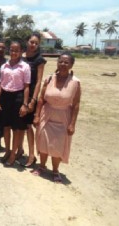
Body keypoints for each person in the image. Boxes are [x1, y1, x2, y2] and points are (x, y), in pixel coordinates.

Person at [32, 52, 81, 183]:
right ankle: (42, 166)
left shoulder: (75, 83)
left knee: (58, 145)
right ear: (57, 62)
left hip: (63, 116)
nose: (63, 64)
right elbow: (41, 99)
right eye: (61, 61)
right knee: (43, 141)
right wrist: (37, 115)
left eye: (66, 62)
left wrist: (72, 124)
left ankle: (55, 170)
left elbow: (76, 105)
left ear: (71, 65)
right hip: (46, 114)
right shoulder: (49, 79)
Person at [0, 41, 30, 166]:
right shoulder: (4, 66)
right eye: (11, 50)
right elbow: (0, 84)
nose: (13, 52)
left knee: (16, 128)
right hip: (5, 97)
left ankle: (14, 153)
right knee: (6, 126)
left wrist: (25, 104)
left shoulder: (25, 67)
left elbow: (26, 87)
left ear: (21, 52)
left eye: (16, 50)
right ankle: (7, 151)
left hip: (18, 97)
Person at [20, 32, 47, 167]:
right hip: (19, 93)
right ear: (27, 42)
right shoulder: (21, 56)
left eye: (36, 43)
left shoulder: (39, 60)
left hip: (31, 95)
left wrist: (33, 100)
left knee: (28, 126)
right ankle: (19, 150)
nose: (33, 45)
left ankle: (32, 155)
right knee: (19, 124)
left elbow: (38, 81)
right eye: (32, 42)